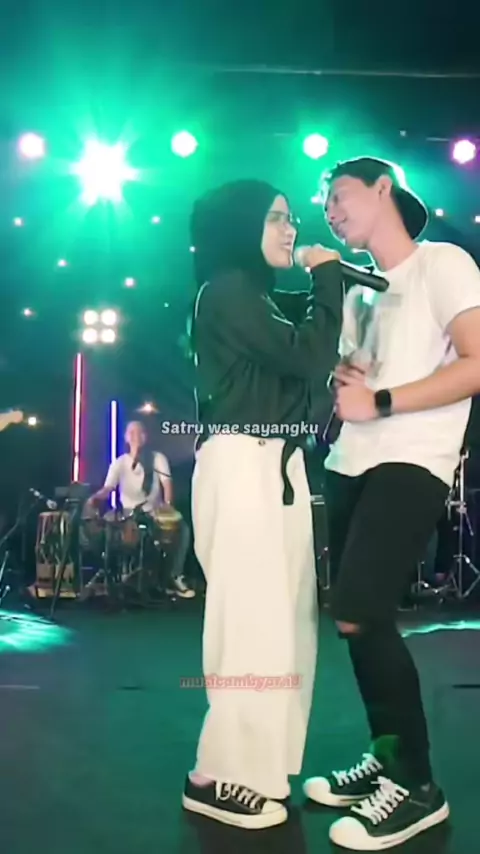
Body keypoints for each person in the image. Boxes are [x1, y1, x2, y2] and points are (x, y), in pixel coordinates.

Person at [303, 156, 480, 850]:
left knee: (361, 608)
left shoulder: (443, 263)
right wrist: (347, 380)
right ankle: (387, 755)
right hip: (351, 461)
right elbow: (353, 384)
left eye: (339, 196)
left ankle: (418, 787)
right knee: (355, 621)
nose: (330, 211)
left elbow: (476, 363)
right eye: (325, 204)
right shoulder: (361, 290)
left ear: (384, 189)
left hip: (412, 459)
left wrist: (379, 400)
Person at [181, 179, 343, 829]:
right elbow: (307, 354)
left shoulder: (258, 298)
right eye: (276, 218)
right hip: (243, 463)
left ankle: (263, 768)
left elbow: (306, 365)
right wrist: (328, 280)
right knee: (250, 626)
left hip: (280, 466)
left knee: (287, 629)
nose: (291, 229)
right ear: (240, 225)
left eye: (292, 218)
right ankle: (217, 774)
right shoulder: (224, 290)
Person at [88, 420, 194, 598]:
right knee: (100, 528)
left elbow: (167, 484)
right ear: (126, 437)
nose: (136, 436)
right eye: (132, 432)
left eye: (140, 432)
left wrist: (168, 508)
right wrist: (95, 498)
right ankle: (111, 575)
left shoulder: (157, 458)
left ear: (146, 437)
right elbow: (108, 488)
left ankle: (174, 576)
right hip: (128, 514)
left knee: (182, 529)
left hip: (154, 512)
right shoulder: (120, 463)